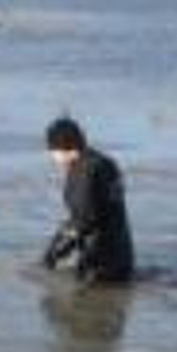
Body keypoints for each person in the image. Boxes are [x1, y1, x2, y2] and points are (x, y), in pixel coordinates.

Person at [40, 117, 134, 283]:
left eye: (52, 150)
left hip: (98, 264)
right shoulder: (105, 163)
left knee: (60, 306)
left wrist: (51, 256)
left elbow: (83, 220)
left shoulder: (83, 172)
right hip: (122, 256)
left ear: (62, 147)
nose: (52, 156)